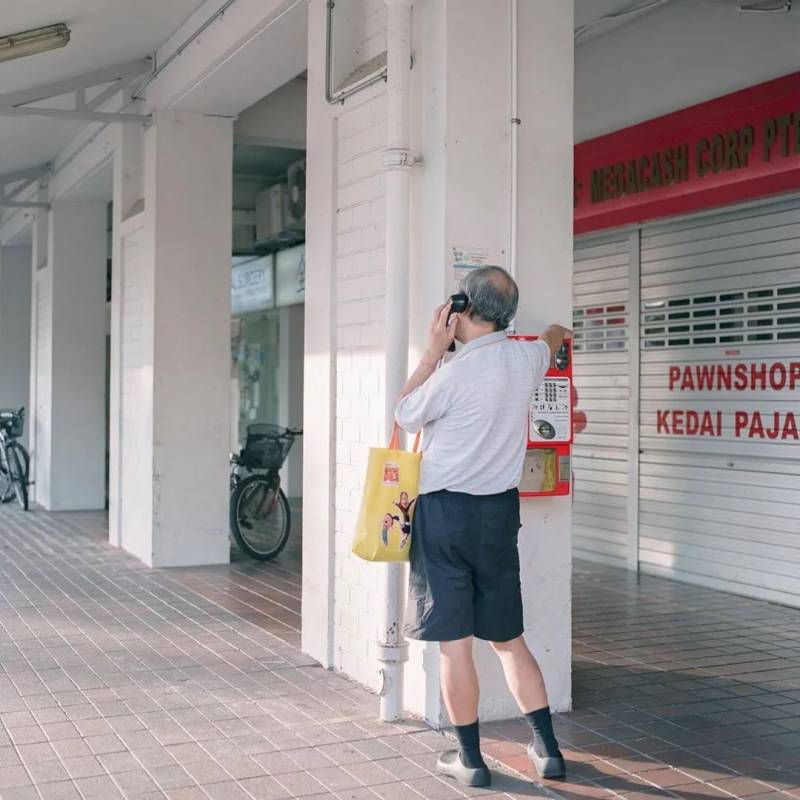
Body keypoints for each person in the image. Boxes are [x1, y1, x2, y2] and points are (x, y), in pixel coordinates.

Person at [395, 266, 571, 788]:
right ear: (508, 315)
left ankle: (470, 760)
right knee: (509, 639)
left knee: (455, 644)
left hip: (445, 516)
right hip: (498, 515)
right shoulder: (528, 358)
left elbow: (404, 414)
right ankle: (548, 752)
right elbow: (556, 334)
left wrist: (432, 350)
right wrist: (560, 335)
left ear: (459, 308)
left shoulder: (450, 375)